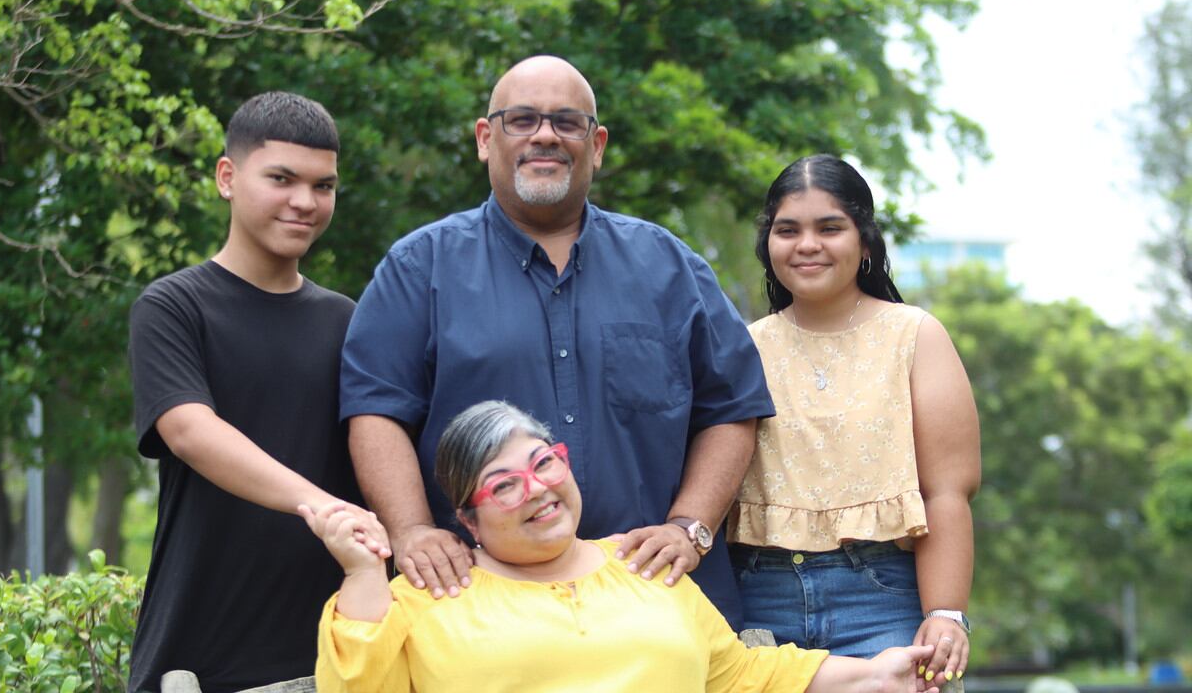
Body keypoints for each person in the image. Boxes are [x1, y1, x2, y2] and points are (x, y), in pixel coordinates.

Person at [339, 55, 770, 628]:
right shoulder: (421, 269)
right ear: (484, 139)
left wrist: (690, 525)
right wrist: (413, 529)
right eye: (522, 120)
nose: (545, 135)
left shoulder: (669, 268)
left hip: (656, 602)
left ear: (597, 145)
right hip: (480, 610)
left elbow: (733, 408)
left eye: (568, 122)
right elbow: (375, 410)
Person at [303, 400, 942, 693]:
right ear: (467, 520)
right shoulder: (433, 591)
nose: (536, 491)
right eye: (504, 486)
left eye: (543, 464)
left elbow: (743, 677)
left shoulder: (644, 567)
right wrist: (362, 569)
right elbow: (359, 687)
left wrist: (872, 673)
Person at [127, 92, 386, 693]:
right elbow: (191, 431)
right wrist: (324, 507)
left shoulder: (349, 321)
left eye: (324, 186)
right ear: (227, 177)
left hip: (332, 651)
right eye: (282, 179)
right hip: (200, 658)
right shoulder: (172, 307)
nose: (305, 202)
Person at [726, 154, 981, 684]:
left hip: (884, 600)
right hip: (759, 603)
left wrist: (946, 613)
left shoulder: (914, 335)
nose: (808, 244)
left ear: (865, 241)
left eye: (830, 228)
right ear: (767, 244)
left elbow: (947, 491)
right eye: (788, 230)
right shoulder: (742, 346)